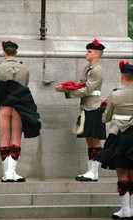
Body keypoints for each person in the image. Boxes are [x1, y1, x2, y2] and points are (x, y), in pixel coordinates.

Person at [0, 40, 41, 182]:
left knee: (4, 139)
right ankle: (11, 172)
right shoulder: (24, 69)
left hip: (3, 106)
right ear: (16, 53)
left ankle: (7, 174)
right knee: (15, 139)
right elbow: (24, 86)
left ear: (4, 53)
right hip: (19, 107)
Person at [55, 38, 106, 181]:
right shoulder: (88, 68)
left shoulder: (97, 70)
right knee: (89, 139)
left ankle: (94, 171)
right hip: (86, 107)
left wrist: (66, 92)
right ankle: (91, 170)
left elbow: (88, 89)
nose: (86, 53)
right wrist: (67, 88)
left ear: (97, 54)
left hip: (93, 107)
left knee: (94, 140)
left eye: (89, 51)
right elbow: (81, 86)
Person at [96, 60, 133, 219]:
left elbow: (106, 118)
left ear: (122, 78)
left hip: (119, 135)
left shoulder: (115, 94)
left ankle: (125, 210)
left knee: (122, 172)